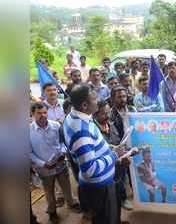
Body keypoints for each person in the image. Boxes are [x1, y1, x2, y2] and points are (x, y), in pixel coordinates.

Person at [63, 84, 127, 224]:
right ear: (85, 105)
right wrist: (114, 155)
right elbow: (89, 170)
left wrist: (108, 147)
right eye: (94, 98)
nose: (98, 101)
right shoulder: (81, 131)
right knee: (105, 218)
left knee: (110, 215)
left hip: (101, 182)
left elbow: (91, 146)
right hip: (99, 186)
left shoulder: (76, 116)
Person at [30, 102, 80, 224]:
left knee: (66, 186)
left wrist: (63, 153)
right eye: (39, 113)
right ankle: (52, 211)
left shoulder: (56, 126)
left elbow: (63, 143)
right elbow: (28, 152)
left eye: (45, 112)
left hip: (60, 164)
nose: (42, 115)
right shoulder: (27, 131)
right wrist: (43, 164)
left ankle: (72, 203)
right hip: (44, 169)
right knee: (49, 191)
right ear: (32, 114)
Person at [93, 100, 134, 224]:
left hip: (118, 171)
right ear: (95, 114)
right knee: (106, 206)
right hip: (105, 175)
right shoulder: (92, 131)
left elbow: (118, 144)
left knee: (116, 200)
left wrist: (128, 152)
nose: (107, 116)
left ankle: (117, 220)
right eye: (103, 114)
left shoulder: (111, 124)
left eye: (108, 112)